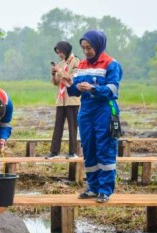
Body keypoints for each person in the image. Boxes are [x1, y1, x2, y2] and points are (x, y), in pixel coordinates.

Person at [65, 30, 123, 203]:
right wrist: (70, 84)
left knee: (104, 149)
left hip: (104, 110)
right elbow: (75, 89)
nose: (86, 51)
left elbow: (113, 90)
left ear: (98, 46)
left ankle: (105, 190)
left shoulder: (111, 64)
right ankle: (93, 187)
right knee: (89, 148)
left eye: (89, 47)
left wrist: (92, 89)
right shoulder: (81, 65)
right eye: (83, 48)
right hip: (86, 112)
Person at [46, 41, 80, 159]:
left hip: (72, 99)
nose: (59, 55)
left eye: (60, 52)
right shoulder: (60, 64)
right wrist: (53, 74)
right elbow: (56, 83)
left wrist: (60, 72)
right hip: (61, 99)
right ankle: (54, 152)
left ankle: (73, 152)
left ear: (66, 50)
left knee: (72, 126)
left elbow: (72, 79)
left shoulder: (76, 62)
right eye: (58, 53)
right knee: (58, 126)